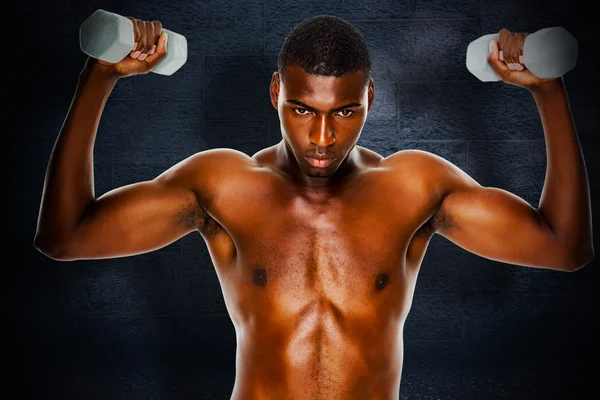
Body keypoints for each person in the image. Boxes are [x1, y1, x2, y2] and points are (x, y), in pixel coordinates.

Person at [34, 14, 593, 399]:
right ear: (276, 92)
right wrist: (100, 74)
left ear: (370, 98)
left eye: (345, 112)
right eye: (302, 109)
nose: (322, 137)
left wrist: (547, 91)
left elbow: (564, 248)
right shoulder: (223, 185)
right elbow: (65, 237)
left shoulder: (412, 186)